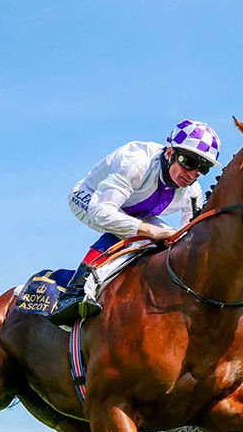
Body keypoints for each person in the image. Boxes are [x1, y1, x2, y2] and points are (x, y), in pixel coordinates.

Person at [48, 119, 220, 326]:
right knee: (133, 234)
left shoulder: (193, 192)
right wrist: (147, 230)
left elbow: (187, 240)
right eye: (189, 162)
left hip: (135, 210)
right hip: (91, 199)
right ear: (170, 153)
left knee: (169, 240)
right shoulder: (136, 163)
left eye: (203, 168)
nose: (193, 174)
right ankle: (73, 294)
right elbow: (101, 211)